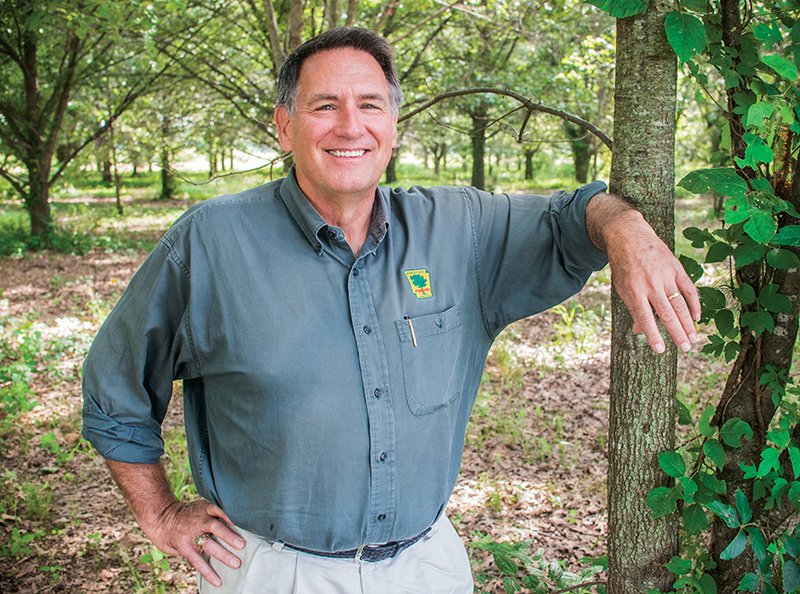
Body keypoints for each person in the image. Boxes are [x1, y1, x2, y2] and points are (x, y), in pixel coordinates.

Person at [82, 26, 700, 593]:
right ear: (284, 125)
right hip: (274, 570)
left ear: (394, 126)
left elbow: (570, 218)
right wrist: (161, 513)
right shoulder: (210, 243)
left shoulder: (458, 230)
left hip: (426, 565)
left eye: (370, 105)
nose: (350, 127)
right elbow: (116, 386)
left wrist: (626, 227)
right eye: (325, 106)